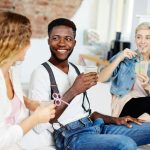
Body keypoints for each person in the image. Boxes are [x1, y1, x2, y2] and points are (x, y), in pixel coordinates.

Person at [29, 18, 150, 150]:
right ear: (48, 41)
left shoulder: (78, 70)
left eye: (68, 39)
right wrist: (73, 90)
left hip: (95, 125)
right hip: (72, 135)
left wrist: (115, 120)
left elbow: (88, 113)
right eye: (56, 38)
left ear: (74, 43)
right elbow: (38, 125)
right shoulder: (41, 73)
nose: (62, 43)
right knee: (126, 144)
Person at [0, 11, 56, 149]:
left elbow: (8, 99)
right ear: (15, 44)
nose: (29, 45)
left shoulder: (12, 70)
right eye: (27, 40)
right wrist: (36, 118)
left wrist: (28, 102)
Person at [99, 22, 150, 120]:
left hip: (144, 105)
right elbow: (101, 78)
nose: (142, 41)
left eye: (147, 38)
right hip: (124, 104)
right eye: (139, 37)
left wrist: (146, 85)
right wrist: (119, 58)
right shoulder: (125, 56)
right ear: (135, 39)